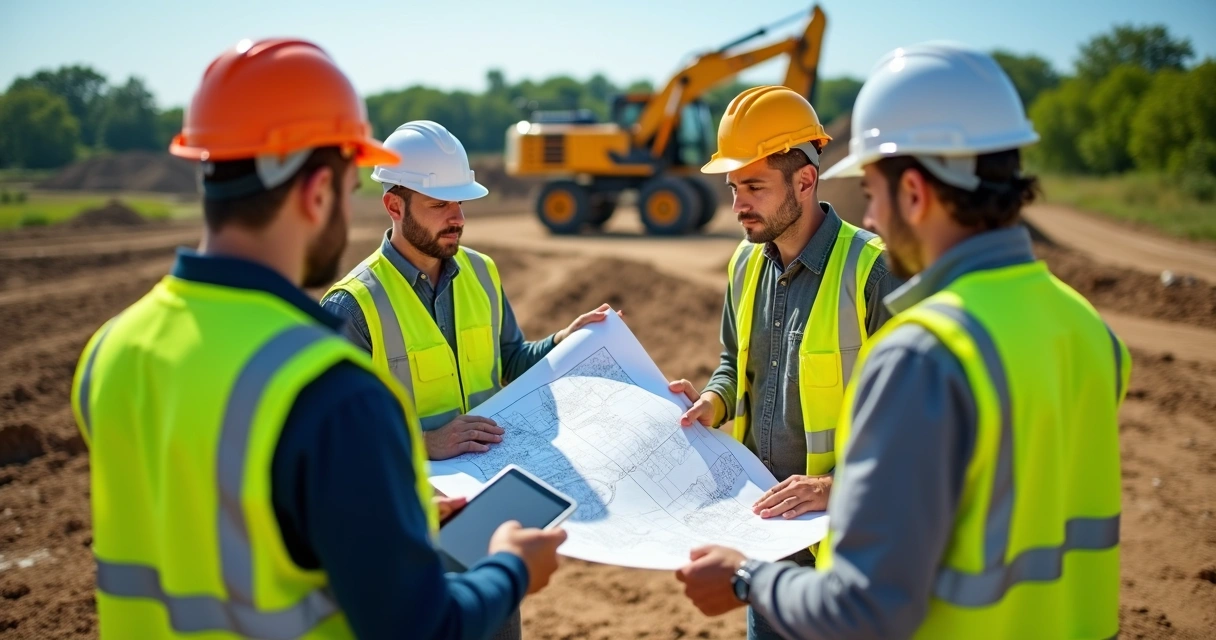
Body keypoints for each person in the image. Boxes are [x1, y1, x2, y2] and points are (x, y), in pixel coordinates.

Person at [70, 38, 566, 640]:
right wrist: (511, 566)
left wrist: (375, 510)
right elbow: (418, 625)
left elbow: (227, 521)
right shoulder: (326, 383)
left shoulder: (110, 351)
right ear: (318, 193)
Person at [674, 42, 1129, 639]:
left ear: (912, 193)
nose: (872, 218)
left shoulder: (925, 351)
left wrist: (744, 579)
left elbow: (868, 604)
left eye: (875, 192)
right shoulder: (1088, 327)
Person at [665, 85, 901, 639]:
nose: (738, 204)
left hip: (850, 542)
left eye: (754, 186)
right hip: (767, 531)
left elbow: (913, 427)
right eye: (733, 187)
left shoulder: (875, 272)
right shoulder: (746, 265)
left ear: (804, 181)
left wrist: (833, 487)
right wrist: (713, 400)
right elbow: (733, 362)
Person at [321, 119, 616, 462]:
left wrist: (561, 342)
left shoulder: (482, 271)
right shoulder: (353, 305)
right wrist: (424, 442)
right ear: (394, 207)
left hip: (493, 477)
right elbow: (333, 431)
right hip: (420, 497)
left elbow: (511, 362)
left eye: (460, 202)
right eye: (440, 204)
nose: (458, 218)